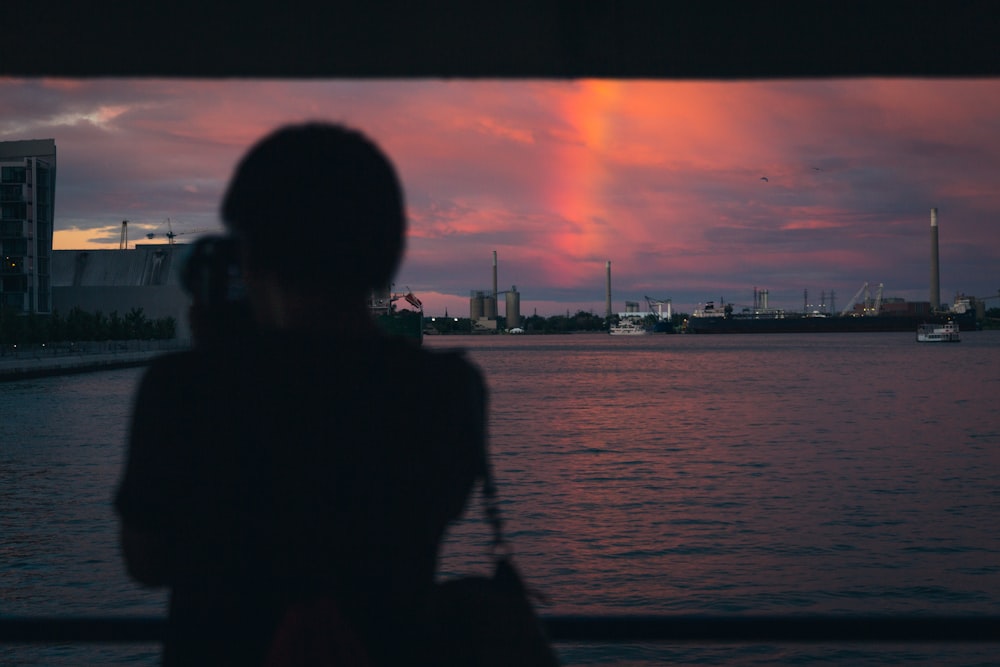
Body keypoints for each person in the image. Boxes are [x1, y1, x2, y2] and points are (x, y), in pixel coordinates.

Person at [116, 123, 488, 666]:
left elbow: (146, 562)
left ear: (253, 255)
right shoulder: (448, 391)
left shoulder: (185, 389)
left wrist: (220, 359)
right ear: (388, 252)